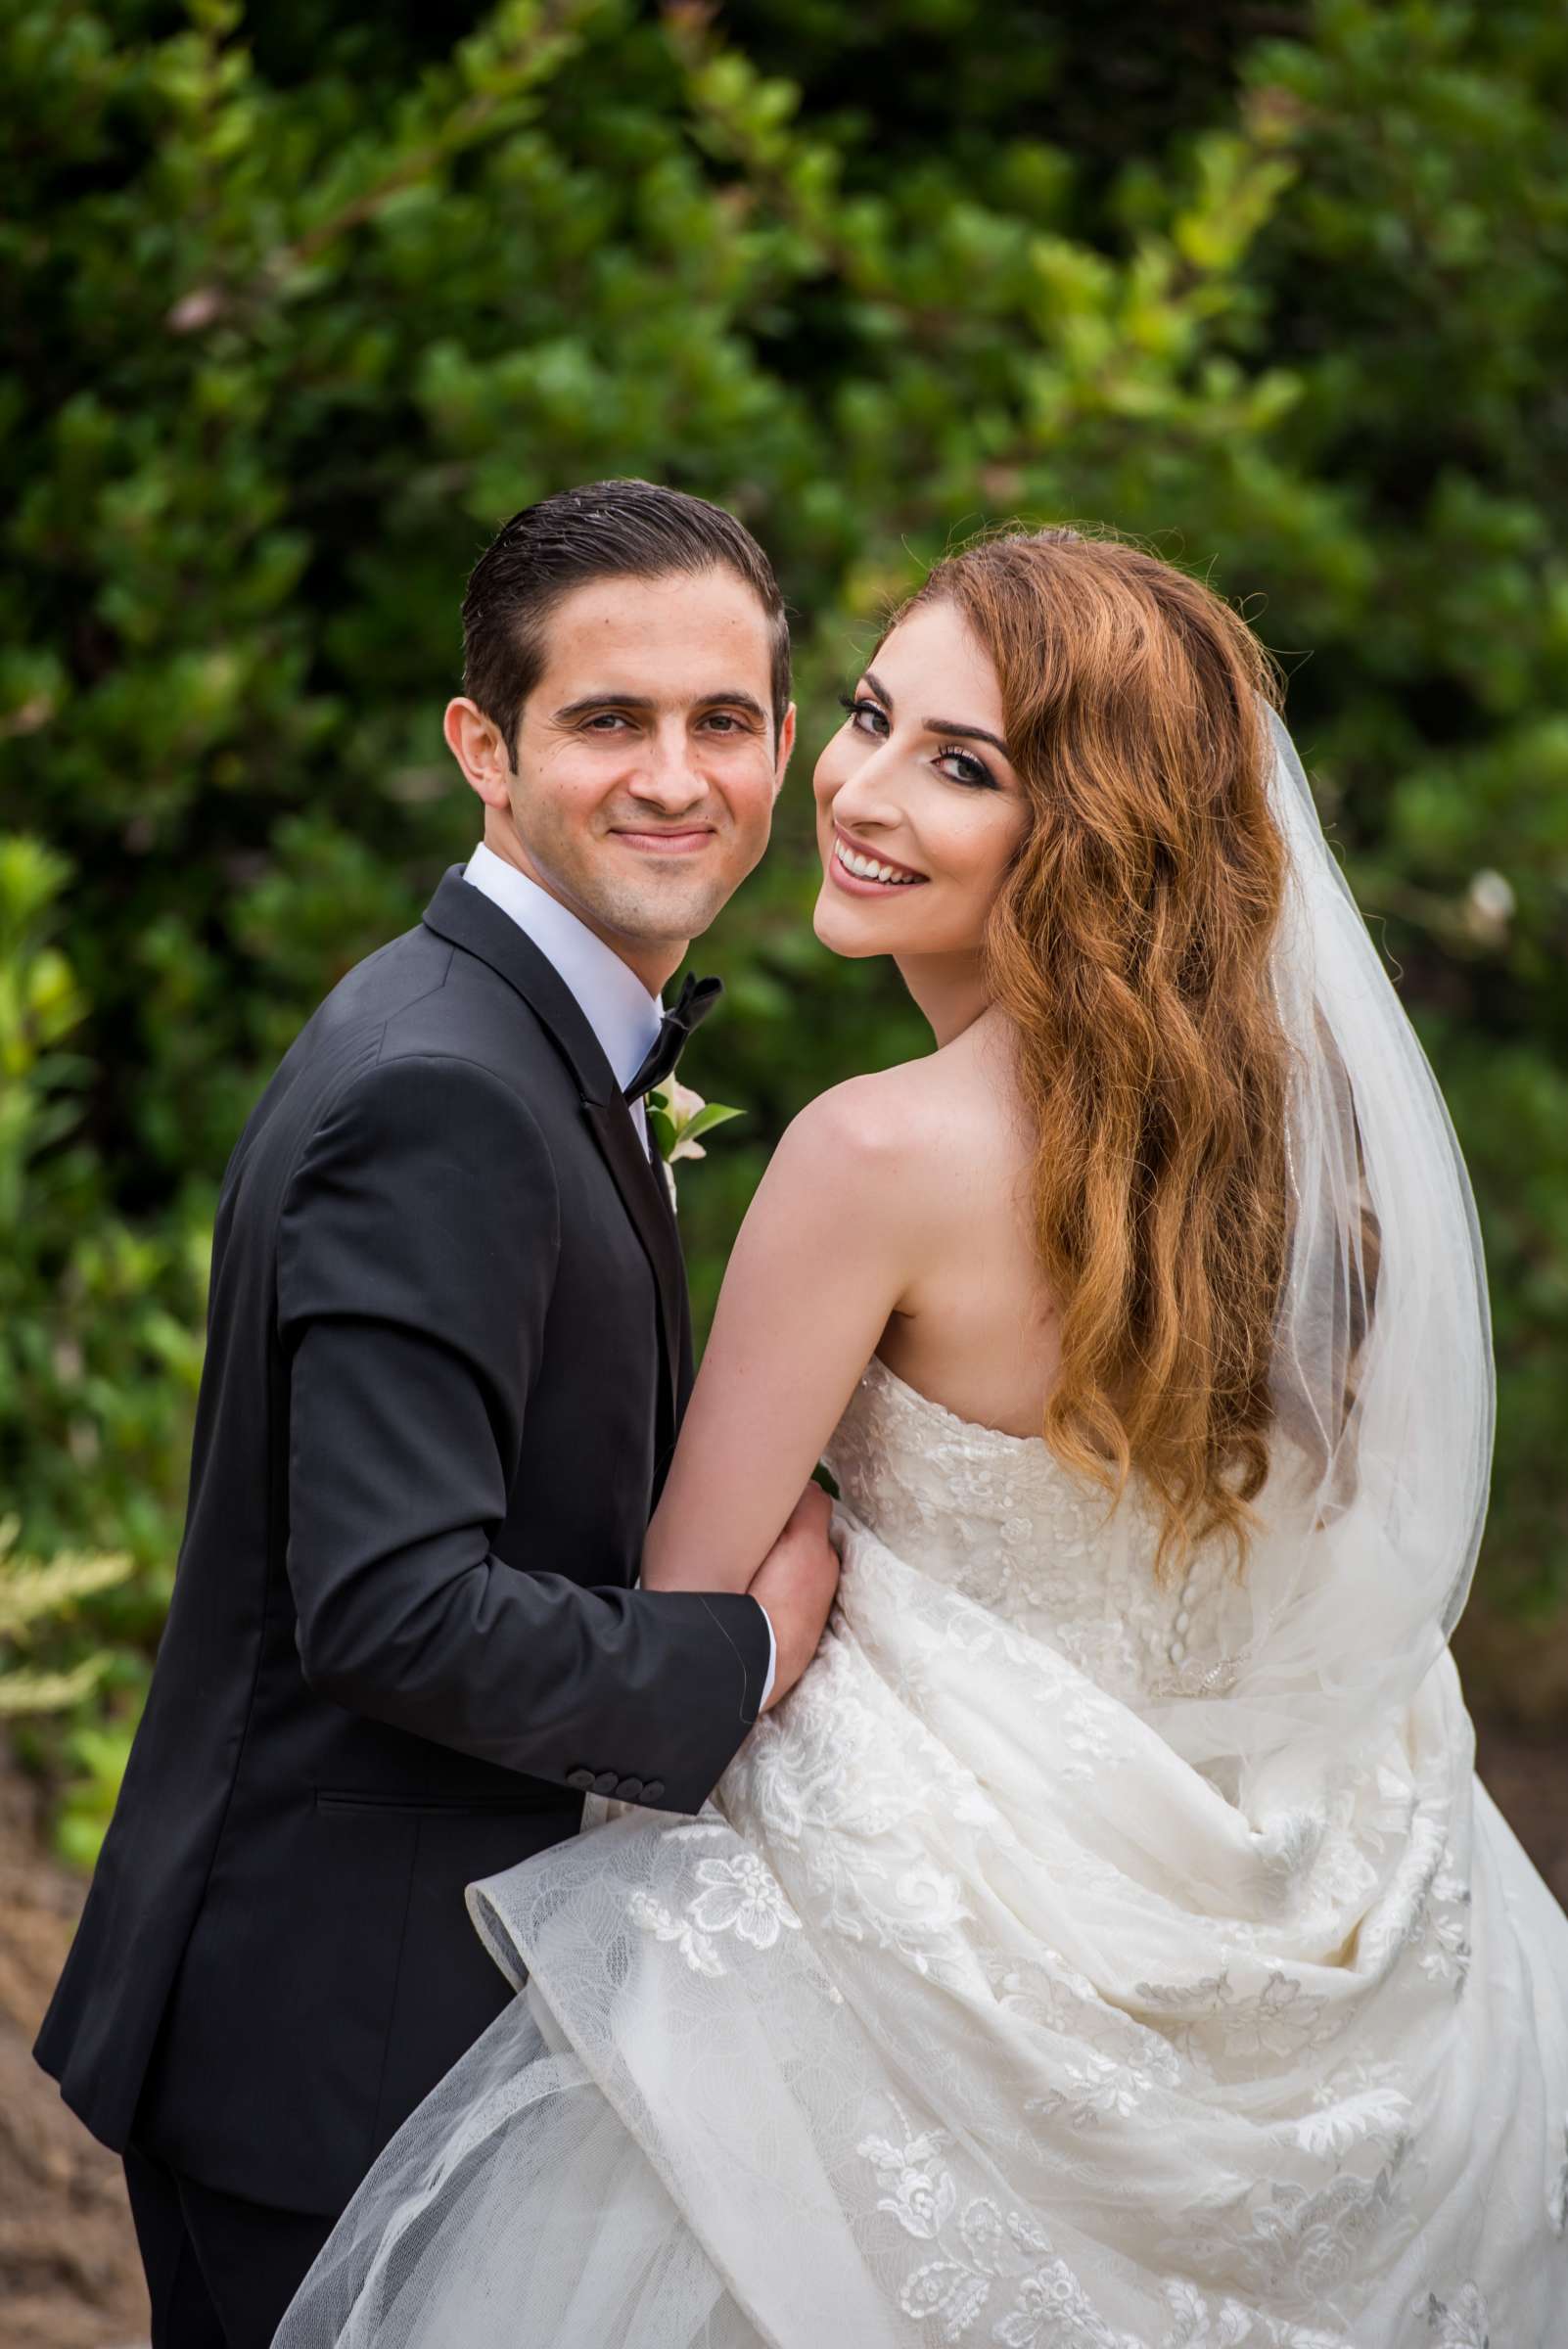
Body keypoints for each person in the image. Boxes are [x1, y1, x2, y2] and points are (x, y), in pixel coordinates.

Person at [277, 527, 1568, 2349]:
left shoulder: (876, 1153)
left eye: (959, 766)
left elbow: (686, 1599)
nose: (860, 793)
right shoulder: (1282, 1151)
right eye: (871, 717)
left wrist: (808, 1524)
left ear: (1091, 831)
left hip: (906, 1935)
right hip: (1271, 1900)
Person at [32, 480, 842, 2349]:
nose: (676, 774)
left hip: (377, 2006)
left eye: (723, 721)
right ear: (483, 745)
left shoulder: (512, 1029)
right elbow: (396, 1607)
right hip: (331, 2040)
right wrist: (740, 1655)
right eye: (607, 720)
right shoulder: (447, 1088)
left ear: (784, 744)